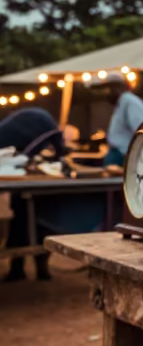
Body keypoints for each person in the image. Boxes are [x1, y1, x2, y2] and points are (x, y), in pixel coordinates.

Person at [0, 107, 73, 282]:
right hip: (28, 187)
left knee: (28, 220)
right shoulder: (39, 128)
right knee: (32, 221)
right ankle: (33, 268)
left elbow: (30, 153)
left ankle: (25, 268)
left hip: (29, 187)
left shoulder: (35, 126)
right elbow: (31, 153)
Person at [92, 71, 143, 169]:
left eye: (108, 88)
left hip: (123, 155)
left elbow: (139, 130)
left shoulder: (131, 102)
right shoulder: (121, 103)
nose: (106, 92)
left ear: (117, 87)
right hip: (116, 153)